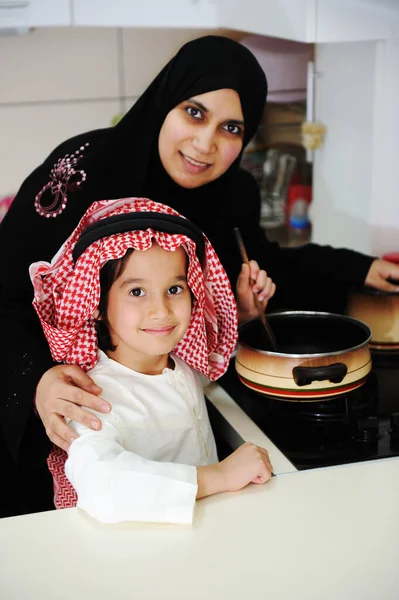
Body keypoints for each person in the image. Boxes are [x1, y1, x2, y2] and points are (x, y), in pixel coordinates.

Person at [1, 34, 399, 516]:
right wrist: (38, 382)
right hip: (60, 414)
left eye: (231, 127)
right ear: (166, 101)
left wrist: (359, 269)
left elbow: (266, 262)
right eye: (194, 112)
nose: (206, 143)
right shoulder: (85, 171)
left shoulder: (233, 194)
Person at [29, 198, 273, 523]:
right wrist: (220, 475)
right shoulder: (93, 400)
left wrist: (243, 314)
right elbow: (103, 486)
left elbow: (208, 362)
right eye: (136, 292)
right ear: (97, 304)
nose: (161, 311)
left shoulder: (178, 363)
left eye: (174, 289)